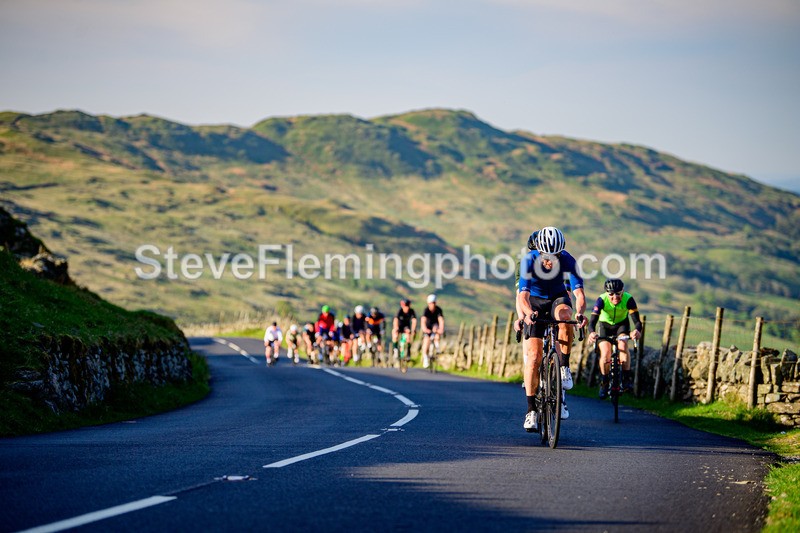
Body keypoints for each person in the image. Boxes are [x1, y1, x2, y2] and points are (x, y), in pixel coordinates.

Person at [517, 226, 587, 432]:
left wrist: (580, 312)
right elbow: (522, 296)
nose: (550, 260)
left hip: (557, 297)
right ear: (539, 251)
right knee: (534, 357)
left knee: (565, 317)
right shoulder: (528, 260)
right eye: (546, 256)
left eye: (554, 255)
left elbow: (579, 293)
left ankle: (563, 367)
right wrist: (528, 313)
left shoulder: (568, 260)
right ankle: (531, 410)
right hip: (535, 303)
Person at [588, 278, 643, 398]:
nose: (615, 297)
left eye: (618, 293)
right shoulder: (601, 300)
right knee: (606, 353)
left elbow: (637, 322)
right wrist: (592, 332)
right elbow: (592, 322)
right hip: (605, 326)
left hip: (621, 326)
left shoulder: (629, 299)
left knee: (623, 346)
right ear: (606, 293)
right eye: (611, 294)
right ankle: (604, 382)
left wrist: (636, 331)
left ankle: (626, 378)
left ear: (623, 291)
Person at [421, 294, 444, 368]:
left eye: (434, 303)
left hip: (435, 326)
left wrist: (441, 329)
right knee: (426, 342)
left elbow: (441, 320)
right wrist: (424, 329)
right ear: (428, 303)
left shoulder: (438, 310)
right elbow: (423, 320)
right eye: (431, 303)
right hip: (428, 327)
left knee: (436, 331)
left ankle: (437, 347)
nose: (432, 305)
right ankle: (425, 358)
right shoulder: (426, 310)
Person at [392, 299, 417, 364]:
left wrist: (413, 329)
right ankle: (395, 350)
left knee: (408, 336)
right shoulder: (400, 311)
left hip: (406, 326)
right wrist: (396, 328)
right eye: (405, 306)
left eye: (408, 306)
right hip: (399, 326)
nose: (407, 307)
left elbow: (414, 320)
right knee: (395, 335)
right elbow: (395, 320)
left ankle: (408, 352)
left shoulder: (411, 311)